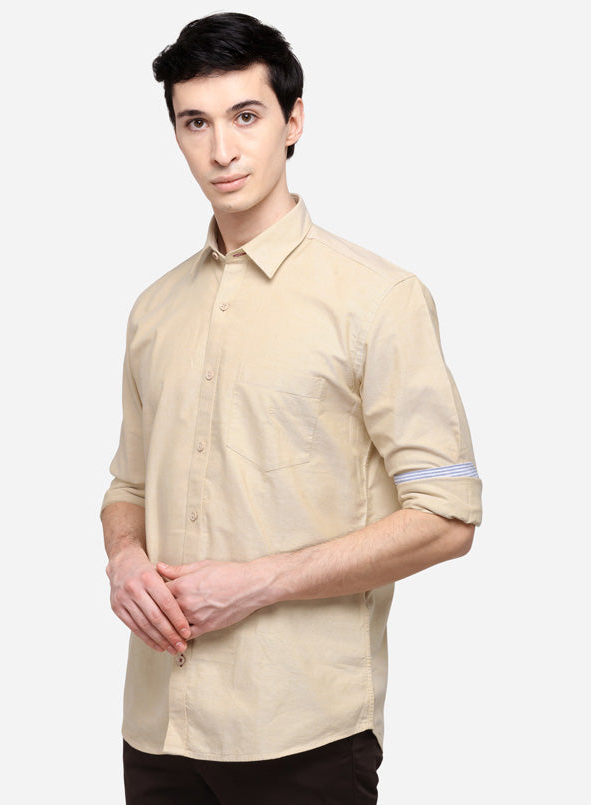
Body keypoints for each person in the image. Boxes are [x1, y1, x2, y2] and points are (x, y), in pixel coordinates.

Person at [101, 12, 482, 804]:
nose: (222, 150)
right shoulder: (153, 310)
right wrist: (126, 559)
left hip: (302, 731)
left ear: (293, 120)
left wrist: (258, 582)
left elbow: (448, 515)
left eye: (246, 116)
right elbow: (127, 486)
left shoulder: (378, 299)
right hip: (158, 729)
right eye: (195, 123)